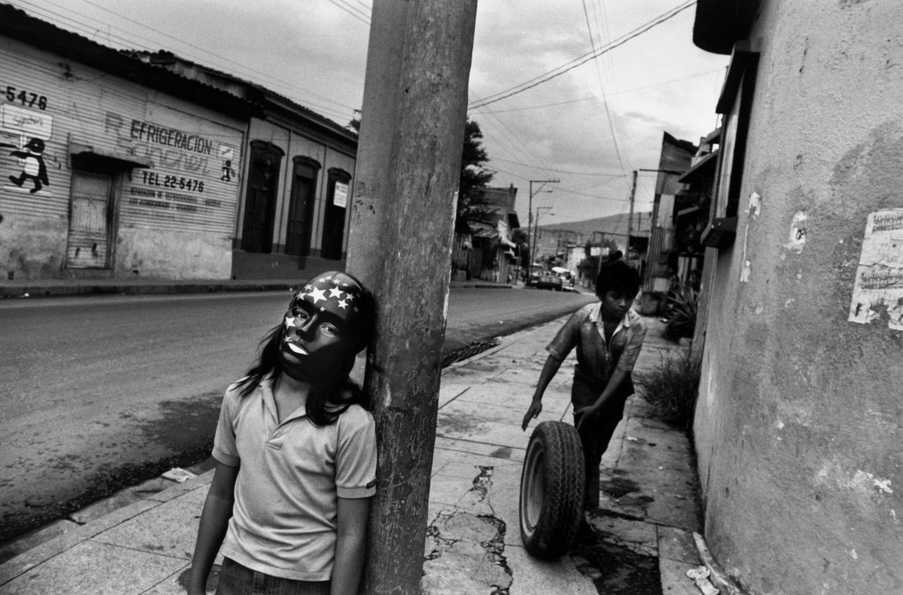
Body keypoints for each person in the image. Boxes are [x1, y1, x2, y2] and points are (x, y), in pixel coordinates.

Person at [188, 271, 377, 595]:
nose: (304, 330)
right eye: (301, 313)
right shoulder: (240, 398)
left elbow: (351, 534)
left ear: (350, 347)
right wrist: (196, 582)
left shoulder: (352, 425)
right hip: (235, 574)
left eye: (329, 326)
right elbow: (220, 494)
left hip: (305, 584)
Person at [521, 260, 646, 509]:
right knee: (586, 448)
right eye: (615, 296)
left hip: (615, 390)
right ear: (602, 295)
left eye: (629, 298)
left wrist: (599, 406)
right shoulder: (583, 317)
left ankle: (578, 502)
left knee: (597, 450)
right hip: (586, 384)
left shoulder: (637, 327)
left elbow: (622, 371)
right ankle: (582, 512)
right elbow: (556, 354)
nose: (623, 304)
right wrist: (537, 397)